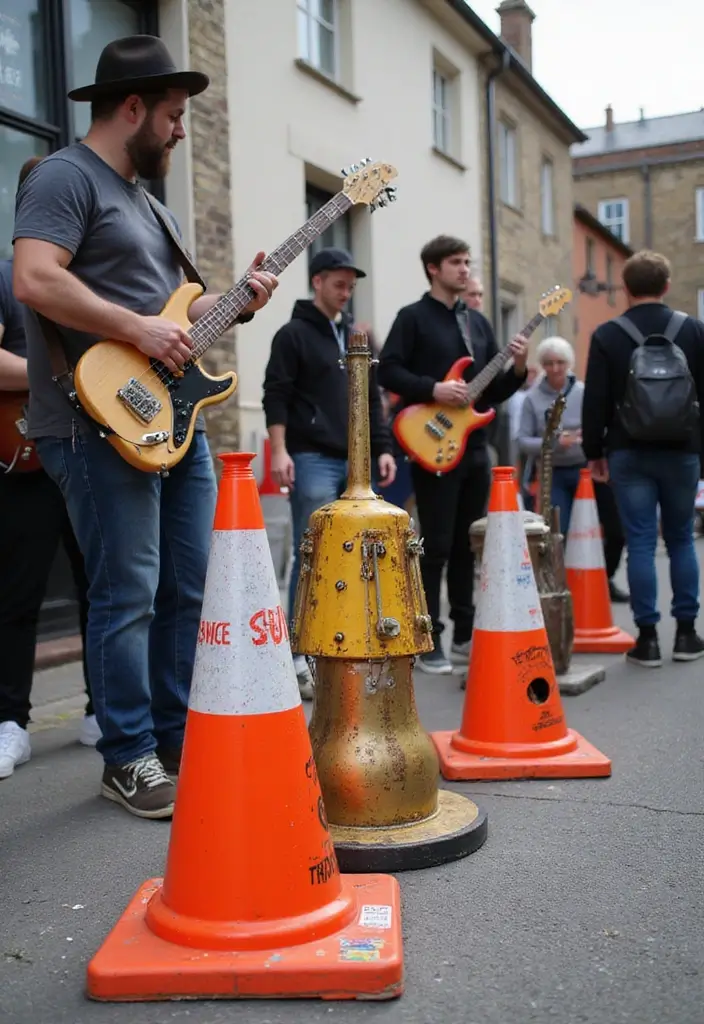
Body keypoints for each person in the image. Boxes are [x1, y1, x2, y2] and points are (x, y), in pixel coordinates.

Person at [12, 36, 278, 817]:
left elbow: (180, 311)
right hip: (90, 419)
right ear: (132, 108)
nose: (180, 130)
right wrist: (137, 330)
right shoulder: (65, 177)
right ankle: (125, 755)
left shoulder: (149, 203)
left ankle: (172, 740)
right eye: (173, 115)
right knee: (125, 593)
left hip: (170, 422)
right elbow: (34, 277)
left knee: (186, 588)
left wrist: (237, 296)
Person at [378, 235, 528, 675]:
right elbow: (388, 369)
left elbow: (490, 391)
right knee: (437, 545)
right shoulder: (413, 318)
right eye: (456, 263)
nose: (465, 269)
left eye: (467, 262)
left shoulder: (478, 324)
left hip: (475, 448)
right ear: (433, 269)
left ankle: (465, 632)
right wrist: (434, 388)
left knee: (468, 545)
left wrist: (518, 369)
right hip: (433, 448)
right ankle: (429, 638)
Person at [0, 158, 99, 780]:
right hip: (26, 455)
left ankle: (104, 709)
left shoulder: (95, 281)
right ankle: (10, 721)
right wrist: (62, 378)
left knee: (103, 588)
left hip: (93, 447)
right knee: (17, 594)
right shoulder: (9, 278)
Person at [263, 248, 396, 695]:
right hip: (311, 458)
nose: (346, 293)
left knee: (357, 556)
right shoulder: (293, 335)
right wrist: (279, 451)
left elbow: (373, 398)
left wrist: (382, 448)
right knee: (312, 555)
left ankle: (342, 649)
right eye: (339, 284)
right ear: (317, 282)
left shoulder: (353, 337)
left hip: (356, 464)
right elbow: (275, 395)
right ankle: (297, 655)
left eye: (351, 286)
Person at [583, 250, 704, 667]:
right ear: (666, 286)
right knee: (682, 539)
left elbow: (595, 399)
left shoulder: (608, 335)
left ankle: (648, 639)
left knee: (639, 542)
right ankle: (687, 634)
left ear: (627, 289)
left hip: (628, 451)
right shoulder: (693, 330)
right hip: (682, 451)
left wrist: (593, 454)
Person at [518, 337, 627, 602]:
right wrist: (555, 442)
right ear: (542, 365)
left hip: (589, 467)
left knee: (616, 529)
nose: (555, 368)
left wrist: (588, 439)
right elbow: (522, 440)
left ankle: (604, 578)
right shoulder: (532, 398)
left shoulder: (583, 391)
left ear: (569, 364)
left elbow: (604, 426)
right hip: (554, 472)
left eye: (561, 363)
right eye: (549, 363)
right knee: (558, 532)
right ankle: (563, 587)